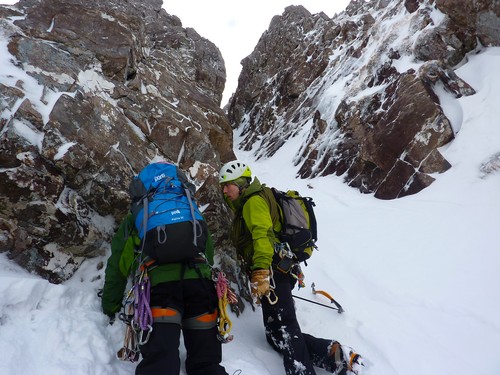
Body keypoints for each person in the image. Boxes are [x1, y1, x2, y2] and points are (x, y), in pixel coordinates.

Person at [219, 160, 363, 375]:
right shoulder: (254, 200)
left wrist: (260, 272)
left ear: (241, 183)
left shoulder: (252, 203)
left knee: (286, 329)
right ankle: (333, 354)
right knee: (275, 334)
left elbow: (262, 236)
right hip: (279, 269)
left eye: (228, 185)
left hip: (273, 271)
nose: (224, 190)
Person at [101, 211, 228, 374]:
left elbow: (118, 267)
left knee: (160, 363)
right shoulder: (190, 211)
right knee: (207, 363)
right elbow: (207, 252)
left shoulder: (139, 216)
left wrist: (110, 306)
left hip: (160, 289)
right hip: (200, 284)